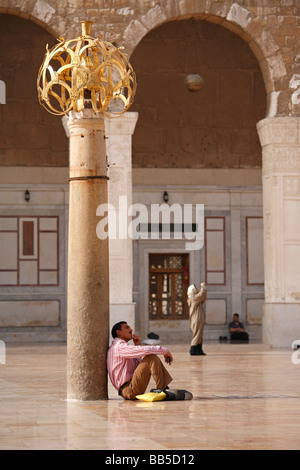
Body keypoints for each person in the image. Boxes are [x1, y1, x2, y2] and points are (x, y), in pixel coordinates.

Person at [107, 321, 174, 400]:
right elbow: (144, 351)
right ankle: (162, 390)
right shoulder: (119, 346)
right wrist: (163, 350)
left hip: (131, 387)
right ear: (118, 332)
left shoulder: (122, 346)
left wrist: (137, 345)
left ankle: (163, 388)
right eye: (127, 327)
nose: (131, 330)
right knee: (151, 356)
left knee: (150, 356)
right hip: (128, 389)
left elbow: (138, 367)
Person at [187, 282, 207, 356]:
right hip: (197, 319)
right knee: (197, 334)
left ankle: (198, 350)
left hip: (198, 319)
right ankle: (192, 350)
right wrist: (203, 286)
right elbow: (202, 294)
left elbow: (203, 296)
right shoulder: (194, 298)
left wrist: (203, 289)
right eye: (195, 288)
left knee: (199, 334)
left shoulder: (195, 298)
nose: (197, 289)